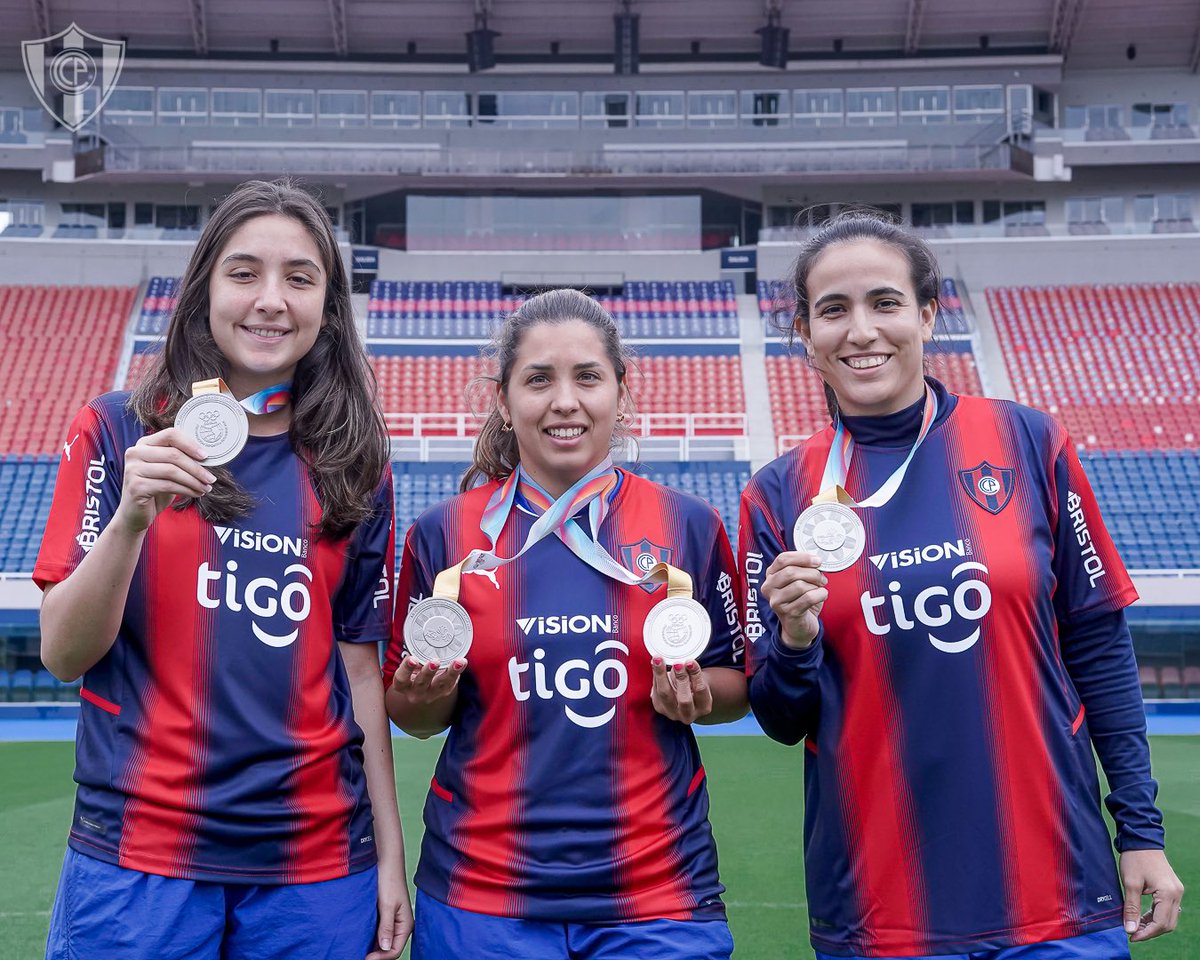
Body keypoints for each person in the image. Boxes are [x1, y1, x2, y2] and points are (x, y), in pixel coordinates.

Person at [740, 211, 1184, 960]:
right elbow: (783, 719)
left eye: (884, 303)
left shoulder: (1026, 441)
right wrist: (794, 638)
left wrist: (1141, 833)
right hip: (881, 909)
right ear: (806, 333)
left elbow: (1101, 653)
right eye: (834, 310)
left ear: (928, 312)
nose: (861, 331)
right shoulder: (778, 495)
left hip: (1056, 893)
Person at [35, 179, 412, 960]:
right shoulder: (115, 430)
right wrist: (133, 517)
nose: (271, 300)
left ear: (329, 307)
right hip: (139, 860)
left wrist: (389, 857)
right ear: (204, 287)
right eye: (244, 273)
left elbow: (361, 674)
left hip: (314, 868)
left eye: (300, 278)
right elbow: (63, 653)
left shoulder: (357, 464)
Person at [384, 288, 748, 960]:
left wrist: (697, 696)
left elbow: (734, 681)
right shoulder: (444, 536)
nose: (564, 401)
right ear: (502, 399)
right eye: (538, 380)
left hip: (658, 896)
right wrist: (424, 697)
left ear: (620, 389)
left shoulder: (689, 525)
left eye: (586, 377)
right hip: (481, 896)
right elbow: (409, 713)